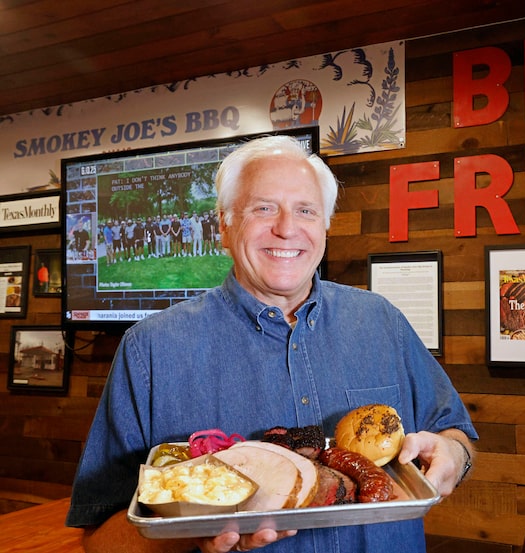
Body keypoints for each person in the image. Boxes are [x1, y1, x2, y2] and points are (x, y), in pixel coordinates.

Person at [65, 135, 478, 553]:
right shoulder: (149, 350)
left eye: (305, 210)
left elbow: (457, 436)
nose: (286, 228)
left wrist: (452, 455)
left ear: (325, 226)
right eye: (263, 208)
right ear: (223, 225)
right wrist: (192, 528)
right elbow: (100, 538)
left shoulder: (381, 320)